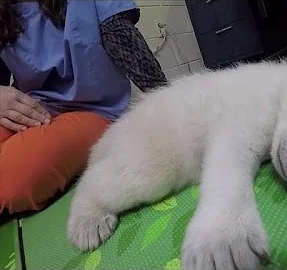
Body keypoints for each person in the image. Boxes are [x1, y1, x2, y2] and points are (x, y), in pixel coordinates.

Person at [0, 0, 168, 215]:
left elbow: (131, 52)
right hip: (32, 106)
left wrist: (170, 111)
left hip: (95, 109)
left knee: (12, 180)